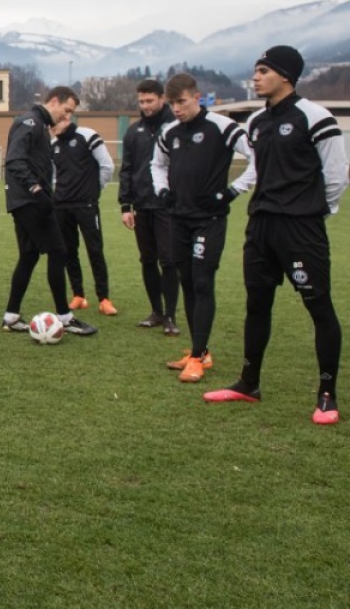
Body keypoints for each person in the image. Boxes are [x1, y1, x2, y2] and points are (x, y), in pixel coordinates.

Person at [205, 46, 348, 424]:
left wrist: (314, 212)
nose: (256, 77)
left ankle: (327, 395)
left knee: (319, 307)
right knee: (257, 304)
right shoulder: (255, 122)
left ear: (286, 75)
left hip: (301, 228)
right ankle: (248, 384)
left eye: (263, 71)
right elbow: (258, 168)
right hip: (261, 226)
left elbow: (336, 175)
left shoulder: (315, 117)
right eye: (255, 70)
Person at [151, 73, 255, 383]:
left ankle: (197, 358)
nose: (176, 109)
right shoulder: (169, 131)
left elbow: (259, 157)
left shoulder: (222, 127)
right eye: (172, 103)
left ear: (197, 97)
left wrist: (232, 191)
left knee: (202, 281)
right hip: (178, 219)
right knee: (186, 281)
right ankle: (201, 351)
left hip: (209, 220)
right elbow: (157, 165)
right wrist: (162, 191)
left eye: (181, 102)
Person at [1, 87, 97, 337]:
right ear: (54, 101)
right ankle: (65, 317)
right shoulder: (30, 122)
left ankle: (11, 316)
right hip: (31, 201)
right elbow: (14, 160)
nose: (67, 117)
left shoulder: (40, 126)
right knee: (58, 251)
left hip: (25, 200)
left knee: (29, 256)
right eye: (66, 110)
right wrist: (36, 189)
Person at [119, 79, 181, 335]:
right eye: (141, 101)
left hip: (168, 206)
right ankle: (156, 311)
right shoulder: (134, 131)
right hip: (142, 204)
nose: (145, 106)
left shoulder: (177, 126)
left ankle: (170, 316)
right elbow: (127, 169)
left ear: (162, 99)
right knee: (147, 259)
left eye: (149, 101)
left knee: (168, 260)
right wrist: (126, 205)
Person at [51, 112, 117, 316]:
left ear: (66, 119)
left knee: (95, 251)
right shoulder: (53, 146)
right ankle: (78, 295)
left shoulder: (87, 135)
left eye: (55, 123)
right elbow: (53, 176)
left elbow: (107, 166)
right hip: (61, 207)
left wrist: (94, 190)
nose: (52, 128)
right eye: (50, 125)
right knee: (69, 251)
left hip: (86, 205)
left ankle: (104, 298)